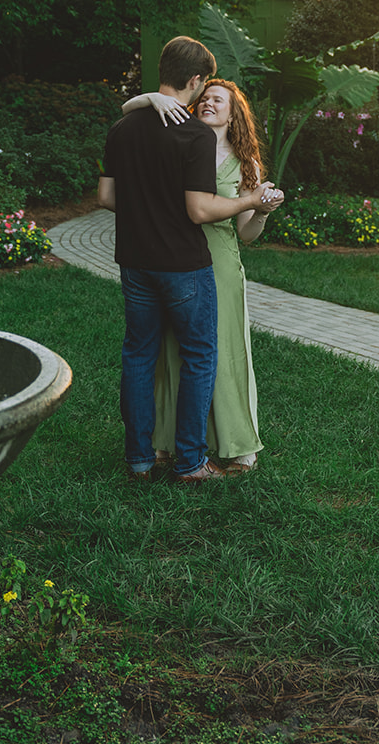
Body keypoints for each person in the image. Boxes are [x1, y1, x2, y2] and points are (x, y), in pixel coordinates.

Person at [99, 38, 281, 485]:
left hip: (137, 261)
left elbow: (106, 197)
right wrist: (250, 201)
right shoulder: (193, 135)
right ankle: (189, 461)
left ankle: (141, 459)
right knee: (196, 357)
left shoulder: (123, 127)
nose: (208, 101)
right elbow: (197, 210)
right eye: (206, 91)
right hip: (183, 262)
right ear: (195, 81)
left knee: (140, 356)